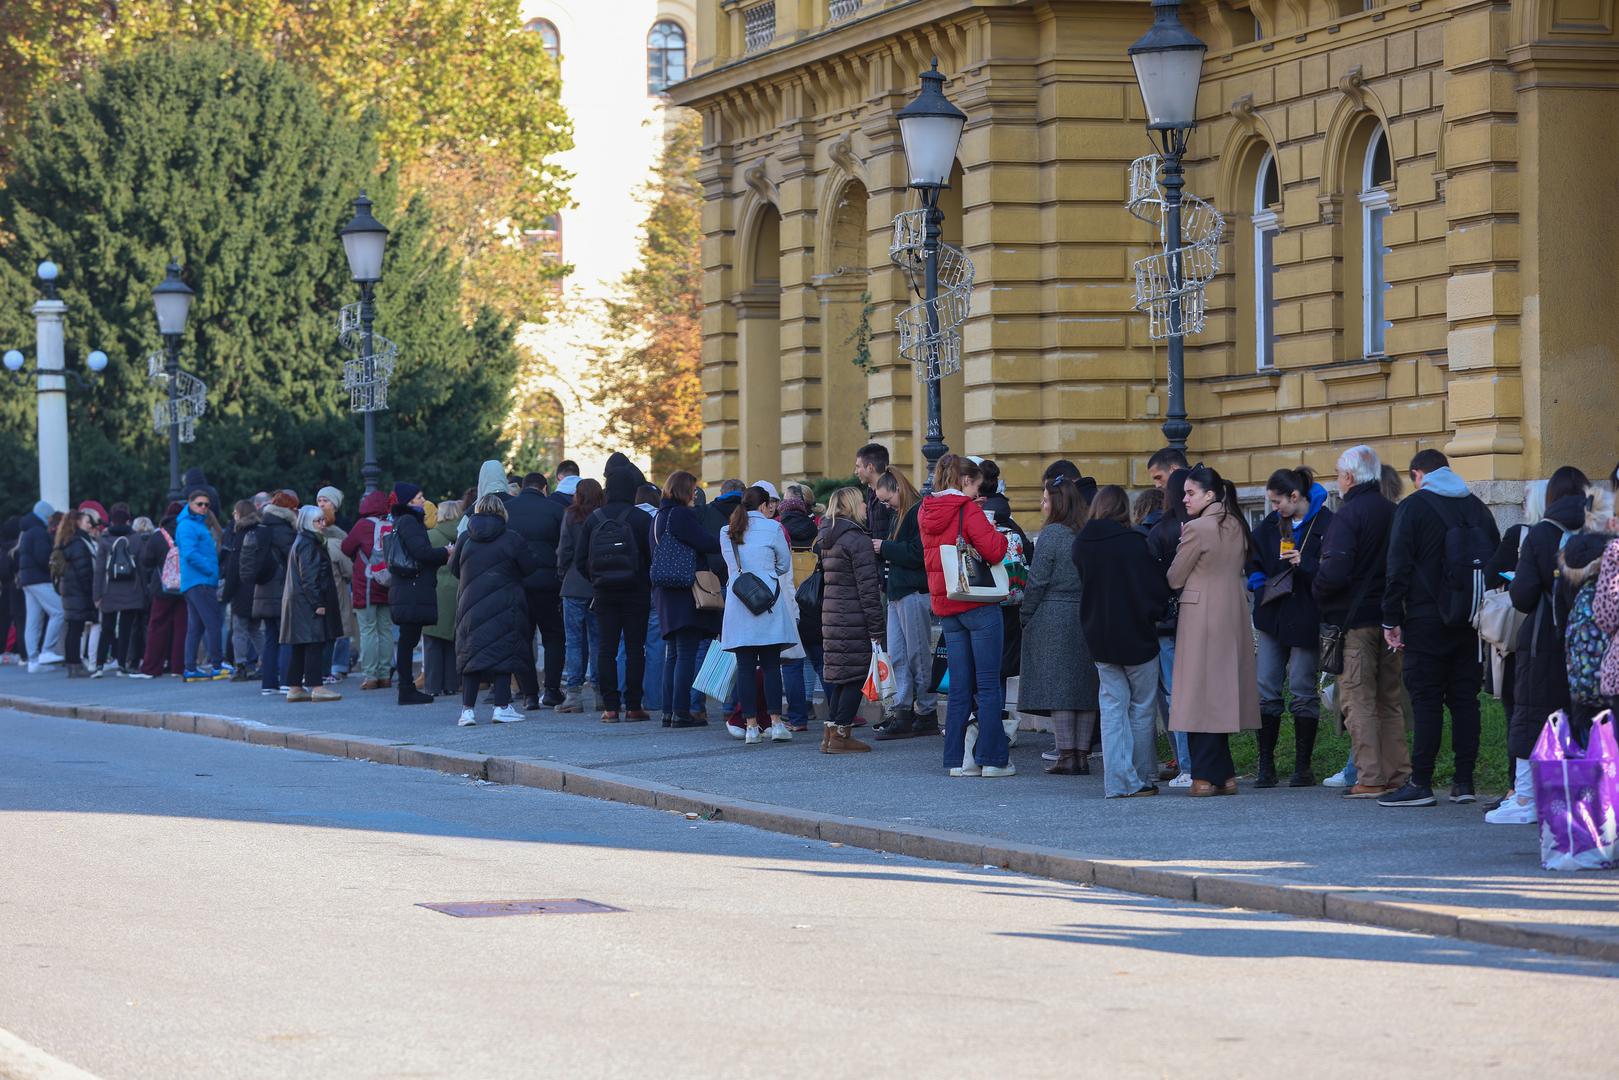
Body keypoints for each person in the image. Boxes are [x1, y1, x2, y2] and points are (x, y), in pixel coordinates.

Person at [1379, 449, 1502, 807]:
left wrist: (1391, 618)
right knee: (1465, 701)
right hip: (1469, 619)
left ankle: (1421, 782)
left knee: (1427, 699)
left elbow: (1397, 566)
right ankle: (1464, 783)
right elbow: (1494, 561)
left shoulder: (1414, 508)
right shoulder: (1477, 507)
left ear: (1418, 474)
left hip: (1425, 619)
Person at [1495, 465, 1591, 819]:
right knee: (1582, 715)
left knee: (1533, 714)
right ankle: (1579, 798)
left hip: (1544, 638)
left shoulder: (1541, 533)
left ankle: (1527, 799)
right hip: (1590, 641)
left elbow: (1522, 596)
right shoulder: (1600, 528)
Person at [1313, 445, 1409, 798]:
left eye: (1339, 475)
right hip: (1391, 620)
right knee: (1389, 700)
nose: (1338, 481)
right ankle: (1398, 773)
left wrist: (1317, 590)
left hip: (1355, 623)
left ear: (1349, 477)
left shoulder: (1348, 516)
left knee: (1358, 701)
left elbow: (1334, 573)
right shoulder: (1394, 512)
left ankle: (1369, 777)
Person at [1169, 464, 1260, 796]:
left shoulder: (1197, 529)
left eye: (1191, 492)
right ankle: (1226, 775)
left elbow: (1175, 576)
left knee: (1197, 695)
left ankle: (1204, 776)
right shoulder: (1236, 523)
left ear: (1209, 494)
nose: (1185, 498)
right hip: (1231, 611)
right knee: (1220, 694)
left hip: (1199, 613)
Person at [920, 454, 1013, 777]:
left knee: (959, 685)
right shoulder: (967, 509)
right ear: (964, 481)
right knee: (987, 685)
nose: (976, 491)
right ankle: (992, 759)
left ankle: (958, 760)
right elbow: (995, 550)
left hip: (947, 603)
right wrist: (991, 528)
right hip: (976, 603)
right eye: (974, 485)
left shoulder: (926, 510)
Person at [1072, 485, 1169, 796]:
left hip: (1099, 636)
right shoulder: (1136, 543)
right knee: (1141, 709)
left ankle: (1116, 782)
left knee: (1112, 708)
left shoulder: (1082, 544)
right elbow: (1154, 591)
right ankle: (1141, 778)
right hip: (1137, 636)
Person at [1247, 466, 1333, 787]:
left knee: (1302, 688)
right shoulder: (1271, 525)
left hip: (1307, 614)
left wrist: (1305, 564)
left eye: (1277, 501)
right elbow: (1252, 558)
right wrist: (1258, 585)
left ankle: (1302, 767)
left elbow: (1333, 569)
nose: (1274, 508)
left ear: (1295, 496)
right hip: (1272, 614)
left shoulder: (1326, 524)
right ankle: (1265, 765)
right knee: (1266, 688)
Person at [1021, 475, 1097, 775]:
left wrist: (1026, 614)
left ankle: (1066, 754)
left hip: (1053, 614)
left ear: (1057, 502)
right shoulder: (1086, 532)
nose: (1042, 504)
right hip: (1086, 612)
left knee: (1061, 687)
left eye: (1045, 498)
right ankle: (1082, 754)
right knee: (1084, 686)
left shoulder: (1052, 535)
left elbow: (1037, 580)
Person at [577, 453, 655, 722]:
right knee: (635, 648)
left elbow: (579, 561)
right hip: (636, 593)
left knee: (606, 649)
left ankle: (610, 708)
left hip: (604, 593)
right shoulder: (641, 519)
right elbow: (651, 557)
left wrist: (597, 580)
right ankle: (634, 706)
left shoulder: (593, 519)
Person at [450, 493, 540, 726]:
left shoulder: (465, 538)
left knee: (471, 654)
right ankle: (502, 706)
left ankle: (467, 711)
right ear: (502, 512)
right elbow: (529, 567)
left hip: (471, 603)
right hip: (505, 601)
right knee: (503, 651)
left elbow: (454, 568)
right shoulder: (511, 538)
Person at [718, 485, 796, 744]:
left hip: (739, 605)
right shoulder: (773, 528)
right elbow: (784, 564)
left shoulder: (726, 532)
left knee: (745, 669)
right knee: (772, 666)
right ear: (763, 506)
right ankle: (775, 723)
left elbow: (730, 565)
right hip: (768, 604)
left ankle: (750, 726)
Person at [815, 487, 886, 753]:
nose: (867, 509)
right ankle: (841, 735)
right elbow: (867, 588)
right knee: (856, 676)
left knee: (842, 677)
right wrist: (877, 628)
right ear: (853, 506)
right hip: (853, 616)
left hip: (833, 616)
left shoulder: (828, 537)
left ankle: (830, 733)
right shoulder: (856, 540)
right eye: (863, 505)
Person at [651, 470, 721, 728]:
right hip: (683, 591)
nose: (695, 493)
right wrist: (725, 539)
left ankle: (669, 711)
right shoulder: (680, 515)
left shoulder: (660, 516)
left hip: (665, 591)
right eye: (692, 488)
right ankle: (681, 712)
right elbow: (704, 542)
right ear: (682, 490)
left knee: (674, 654)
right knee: (686, 653)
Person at [872, 466, 936, 739]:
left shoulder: (917, 512)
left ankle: (926, 711)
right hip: (898, 593)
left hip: (913, 592)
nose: (886, 505)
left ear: (898, 489)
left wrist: (884, 547)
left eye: (887, 499)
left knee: (917, 655)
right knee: (898, 655)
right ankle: (902, 710)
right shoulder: (900, 514)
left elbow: (917, 554)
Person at [502, 472, 567, 710]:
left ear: (522, 487)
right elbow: (564, 545)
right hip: (549, 583)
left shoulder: (508, 509)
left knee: (522, 639)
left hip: (517, 583)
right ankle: (551, 689)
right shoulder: (555, 510)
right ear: (545, 488)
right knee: (553, 636)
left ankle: (529, 693)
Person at [386, 483, 450, 706]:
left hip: (407, 588)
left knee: (408, 639)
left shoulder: (403, 521)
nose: (423, 501)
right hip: (411, 589)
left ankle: (407, 687)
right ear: (409, 501)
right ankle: (406, 688)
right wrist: (446, 552)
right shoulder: (409, 522)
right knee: (407, 640)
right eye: (420, 497)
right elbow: (421, 552)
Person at [1146, 467, 1192, 785]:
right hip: (1196, 617)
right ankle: (1197, 761)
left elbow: (1155, 581)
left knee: (1175, 695)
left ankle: (1186, 763)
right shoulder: (1200, 526)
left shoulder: (1160, 531)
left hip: (1167, 622)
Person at [280, 505, 342, 703]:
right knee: (314, 644)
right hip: (308, 602)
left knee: (301, 646)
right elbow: (310, 576)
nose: (323, 524)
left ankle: (295, 687)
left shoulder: (302, 540)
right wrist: (318, 602)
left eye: (323, 520)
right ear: (308, 522)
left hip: (298, 602)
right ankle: (316, 686)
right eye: (318, 521)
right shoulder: (309, 543)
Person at [239, 491, 297, 694]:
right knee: (287, 637)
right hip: (281, 591)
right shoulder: (283, 529)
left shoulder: (261, 528)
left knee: (271, 637)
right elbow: (293, 558)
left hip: (262, 592)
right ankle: (286, 681)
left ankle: (269, 683)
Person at [555, 477, 604, 713]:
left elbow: (564, 549)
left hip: (574, 584)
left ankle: (573, 696)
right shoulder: (603, 516)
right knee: (598, 640)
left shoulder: (570, 516)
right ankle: (600, 692)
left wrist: (563, 574)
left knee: (573, 641)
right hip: (598, 584)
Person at [340, 489, 394, 690]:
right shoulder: (390, 525)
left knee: (368, 630)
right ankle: (385, 674)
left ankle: (371, 675)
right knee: (386, 630)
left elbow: (346, 548)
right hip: (387, 583)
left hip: (367, 584)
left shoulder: (362, 526)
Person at [176, 487, 227, 681]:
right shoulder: (189, 525)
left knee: (196, 626)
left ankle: (190, 669)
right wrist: (210, 570)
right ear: (190, 504)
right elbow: (190, 554)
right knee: (213, 622)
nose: (204, 507)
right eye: (199, 504)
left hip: (196, 581)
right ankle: (217, 665)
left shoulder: (194, 524)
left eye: (206, 504)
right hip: (200, 581)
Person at [133, 502, 187, 679]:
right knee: (181, 627)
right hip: (185, 586)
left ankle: (151, 667)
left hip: (163, 587)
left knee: (157, 626)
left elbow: (146, 560)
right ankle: (178, 666)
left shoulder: (159, 536)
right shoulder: (186, 532)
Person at [93, 504, 146, 677]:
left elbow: (99, 569)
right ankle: (122, 665)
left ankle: (99, 664)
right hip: (131, 589)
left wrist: (97, 594)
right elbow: (141, 567)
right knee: (125, 629)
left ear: (111, 520)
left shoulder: (104, 538)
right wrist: (144, 591)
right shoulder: (136, 539)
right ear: (128, 520)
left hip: (108, 590)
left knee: (107, 627)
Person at [423, 499, 464, 698]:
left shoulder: (430, 536)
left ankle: (432, 685)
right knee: (452, 639)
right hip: (459, 588)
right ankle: (451, 683)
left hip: (435, 589)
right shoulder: (464, 534)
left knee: (432, 641)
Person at [17, 499, 63, 669]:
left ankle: (33, 661)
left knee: (33, 621)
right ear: (45, 515)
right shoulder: (38, 532)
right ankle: (47, 651)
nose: (51, 519)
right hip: (39, 579)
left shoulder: (27, 531)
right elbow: (43, 557)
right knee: (59, 611)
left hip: (27, 580)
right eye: (50, 516)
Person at [55, 506, 100, 676]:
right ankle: (74, 664)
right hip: (79, 592)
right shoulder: (79, 543)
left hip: (71, 591)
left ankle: (72, 664)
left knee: (73, 628)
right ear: (78, 523)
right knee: (76, 628)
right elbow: (84, 571)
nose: (90, 525)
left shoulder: (68, 541)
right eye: (87, 522)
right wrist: (91, 592)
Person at [219, 500, 259, 679]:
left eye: (235, 513)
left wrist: (227, 594)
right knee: (255, 630)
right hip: (258, 589)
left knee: (240, 629)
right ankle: (267, 661)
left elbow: (233, 568)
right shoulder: (260, 531)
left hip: (241, 589)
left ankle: (241, 665)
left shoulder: (239, 535)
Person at [854, 443, 895, 542]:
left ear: (870, 467)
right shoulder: (870, 493)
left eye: (858, 467)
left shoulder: (893, 492)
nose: (855, 472)